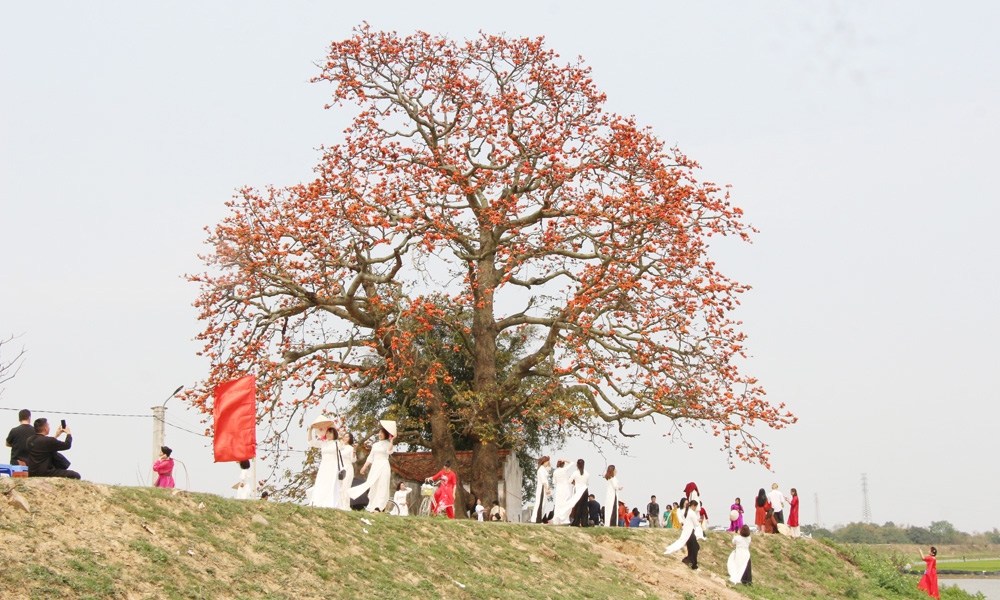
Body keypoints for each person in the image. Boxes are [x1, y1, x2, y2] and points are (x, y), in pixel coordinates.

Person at [351, 421, 396, 512]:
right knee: (374, 485)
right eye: (379, 433)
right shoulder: (375, 445)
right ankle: (372, 505)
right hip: (375, 465)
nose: (380, 434)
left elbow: (389, 452)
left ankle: (380, 506)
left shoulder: (388, 444)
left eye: (382, 433)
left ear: (386, 434)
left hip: (384, 465)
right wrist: (364, 467)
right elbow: (370, 457)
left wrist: (392, 440)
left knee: (382, 485)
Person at [307, 424, 342, 508]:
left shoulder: (336, 443)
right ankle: (319, 501)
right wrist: (310, 430)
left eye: (331, 433)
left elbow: (343, 446)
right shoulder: (323, 443)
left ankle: (330, 502)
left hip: (333, 465)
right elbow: (311, 442)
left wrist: (341, 434)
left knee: (331, 483)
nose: (329, 435)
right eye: (327, 433)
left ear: (334, 434)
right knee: (321, 482)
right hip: (324, 465)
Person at [663, 499, 704, 570]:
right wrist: (698, 521)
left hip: (687, 531)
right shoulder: (691, 512)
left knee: (691, 547)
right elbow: (696, 523)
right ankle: (693, 564)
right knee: (695, 547)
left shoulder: (687, 512)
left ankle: (689, 560)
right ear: (693, 506)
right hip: (690, 532)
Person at [567, 459, 590, 527]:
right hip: (585, 490)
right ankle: (584, 522)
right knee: (584, 507)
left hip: (578, 490)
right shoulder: (587, 473)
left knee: (577, 506)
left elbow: (569, 480)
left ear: (577, 465)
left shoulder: (575, 473)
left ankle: (576, 521)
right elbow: (587, 483)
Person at [337, 433, 356, 510]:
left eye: (347, 437)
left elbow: (353, 460)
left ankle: (345, 506)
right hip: (340, 468)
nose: (345, 438)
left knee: (346, 487)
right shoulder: (340, 447)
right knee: (339, 487)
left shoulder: (350, 448)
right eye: (344, 437)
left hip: (348, 468)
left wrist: (354, 450)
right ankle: (338, 504)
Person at [530, 456, 552, 523]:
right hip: (542, 488)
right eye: (547, 461)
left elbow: (549, 468)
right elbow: (543, 481)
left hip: (543, 489)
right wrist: (547, 489)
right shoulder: (541, 470)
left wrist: (549, 462)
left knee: (543, 504)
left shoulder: (543, 469)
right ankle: (536, 519)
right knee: (540, 503)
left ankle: (540, 518)